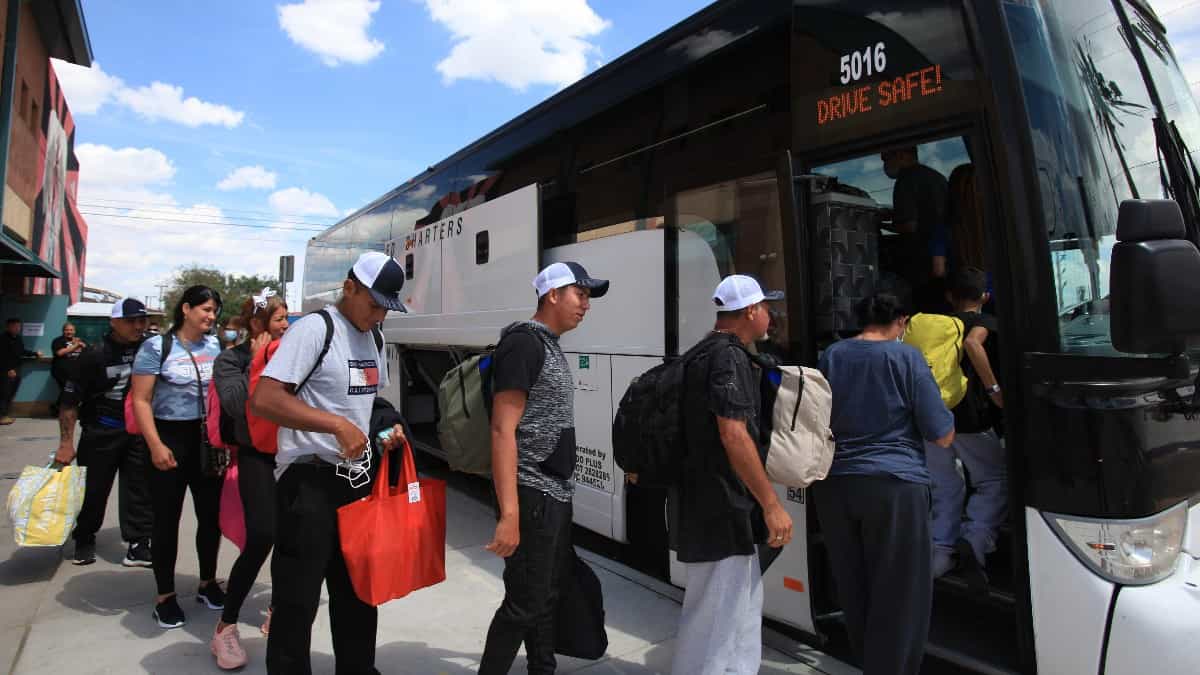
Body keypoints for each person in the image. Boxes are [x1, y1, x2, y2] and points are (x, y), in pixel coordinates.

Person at [251, 252, 409, 674]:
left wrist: (384, 431)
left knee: (358, 593)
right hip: (308, 484)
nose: (379, 315)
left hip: (356, 483)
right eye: (373, 304)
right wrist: (335, 425)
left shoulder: (375, 339)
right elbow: (265, 399)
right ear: (349, 287)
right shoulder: (315, 330)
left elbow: (367, 404)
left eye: (386, 308)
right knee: (297, 601)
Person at [813, 292, 954, 675]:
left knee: (855, 585)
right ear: (901, 322)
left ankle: (871, 664)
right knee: (901, 592)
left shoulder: (834, 355)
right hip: (894, 485)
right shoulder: (906, 357)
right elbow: (940, 433)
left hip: (836, 485)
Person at [480, 261, 610, 675]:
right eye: (580, 294)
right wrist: (510, 514)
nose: (586, 305)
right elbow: (502, 430)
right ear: (552, 295)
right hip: (531, 493)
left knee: (546, 596)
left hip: (553, 493)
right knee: (523, 604)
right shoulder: (524, 344)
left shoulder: (549, 344)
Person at [668, 275, 791, 675]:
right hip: (722, 506)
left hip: (706, 501)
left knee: (729, 609)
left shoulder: (702, 352)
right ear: (751, 311)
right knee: (720, 617)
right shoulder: (728, 358)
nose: (771, 315)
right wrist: (771, 504)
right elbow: (733, 434)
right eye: (767, 307)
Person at [130, 286, 225, 630]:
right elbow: (141, 400)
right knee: (166, 521)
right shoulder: (157, 347)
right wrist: (155, 444)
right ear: (186, 309)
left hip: (206, 442)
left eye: (214, 311)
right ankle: (165, 597)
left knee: (210, 518)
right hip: (167, 439)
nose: (211, 316)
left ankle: (207, 582)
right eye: (206, 309)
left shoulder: (215, 346)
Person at [208, 289, 288, 669]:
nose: (286, 325)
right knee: (261, 537)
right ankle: (225, 626)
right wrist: (257, 361)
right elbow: (237, 405)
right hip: (255, 456)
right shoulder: (230, 360)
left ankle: (278, 610)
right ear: (257, 324)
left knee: (289, 538)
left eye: (287, 318)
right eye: (279, 319)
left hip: (289, 456)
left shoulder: (291, 354)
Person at [54, 299, 155, 568]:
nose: (138, 326)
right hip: (101, 431)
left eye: (141, 320)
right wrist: (66, 443)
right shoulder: (94, 354)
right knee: (94, 490)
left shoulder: (150, 348)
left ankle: (139, 543)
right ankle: (85, 537)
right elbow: (69, 402)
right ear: (114, 322)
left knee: (140, 489)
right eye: (130, 321)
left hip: (138, 432)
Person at [929, 267, 1006, 587]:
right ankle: (976, 539)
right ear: (985, 297)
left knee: (945, 485)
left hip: (933, 417)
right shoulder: (982, 322)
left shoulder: (935, 326)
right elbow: (974, 344)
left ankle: (941, 552)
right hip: (970, 418)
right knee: (995, 479)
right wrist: (994, 390)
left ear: (950, 296)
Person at [882, 146, 950, 311]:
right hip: (946, 264)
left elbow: (909, 225)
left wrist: (878, 223)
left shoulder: (906, 179)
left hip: (921, 267)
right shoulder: (937, 177)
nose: (884, 165)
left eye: (885, 159)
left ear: (900, 154)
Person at [1, 318, 41, 425]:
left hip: (17, 369)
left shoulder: (18, 338)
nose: (17, 328)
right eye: (15, 326)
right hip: (7, 371)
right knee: (4, 393)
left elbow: (22, 351)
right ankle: (2, 416)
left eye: (19, 326)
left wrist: (35, 353)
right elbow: (2, 356)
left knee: (11, 393)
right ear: (8, 327)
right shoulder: (3, 339)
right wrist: (9, 369)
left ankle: (5, 415)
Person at [51, 322, 86, 402]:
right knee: (68, 390)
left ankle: (59, 406)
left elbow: (87, 352)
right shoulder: (58, 340)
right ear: (63, 331)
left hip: (75, 373)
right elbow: (60, 353)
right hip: (62, 372)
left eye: (71, 330)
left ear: (75, 331)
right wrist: (75, 345)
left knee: (70, 391)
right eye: (67, 330)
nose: (69, 332)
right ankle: (60, 407)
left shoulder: (79, 340)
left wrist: (83, 345)